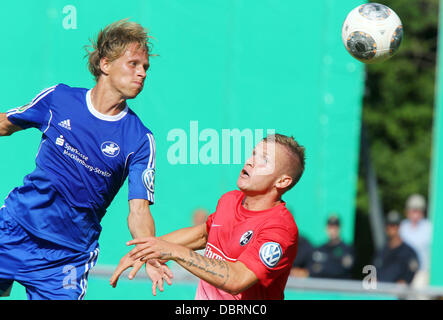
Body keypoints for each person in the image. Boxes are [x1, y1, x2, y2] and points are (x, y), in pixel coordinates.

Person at [0, 19, 171, 299]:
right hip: (14, 230)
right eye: (133, 64)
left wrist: (149, 252)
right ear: (105, 64)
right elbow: (6, 124)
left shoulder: (140, 139)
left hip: (66, 258)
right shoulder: (59, 99)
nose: (142, 73)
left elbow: (139, 211)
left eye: (146, 68)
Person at [110, 134, 306, 300]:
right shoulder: (230, 200)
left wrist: (174, 251)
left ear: (282, 181)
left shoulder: (280, 228)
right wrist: (147, 250)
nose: (250, 161)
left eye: (263, 159)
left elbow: (237, 280)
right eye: (253, 153)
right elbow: (204, 235)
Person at [373, 211, 419, 284]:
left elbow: (411, 272)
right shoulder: (382, 250)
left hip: (399, 293)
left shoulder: (409, 252)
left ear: (399, 226)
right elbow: (373, 270)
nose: (391, 227)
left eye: (395, 225)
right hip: (380, 291)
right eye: (389, 224)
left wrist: (404, 282)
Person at [399, 194, 432, 287]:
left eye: (418, 210)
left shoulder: (428, 227)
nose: (416, 214)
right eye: (413, 210)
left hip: (422, 271)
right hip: (403, 270)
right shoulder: (402, 227)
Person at [308, 215, 354, 279]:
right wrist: (334, 263)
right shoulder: (319, 249)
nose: (332, 231)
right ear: (326, 229)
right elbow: (311, 270)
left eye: (335, 228)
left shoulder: (347, 249)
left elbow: (342, 270)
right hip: (321, 286)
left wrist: (322, 267)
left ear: (340, 229)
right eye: (330, 227)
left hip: (340, 286)